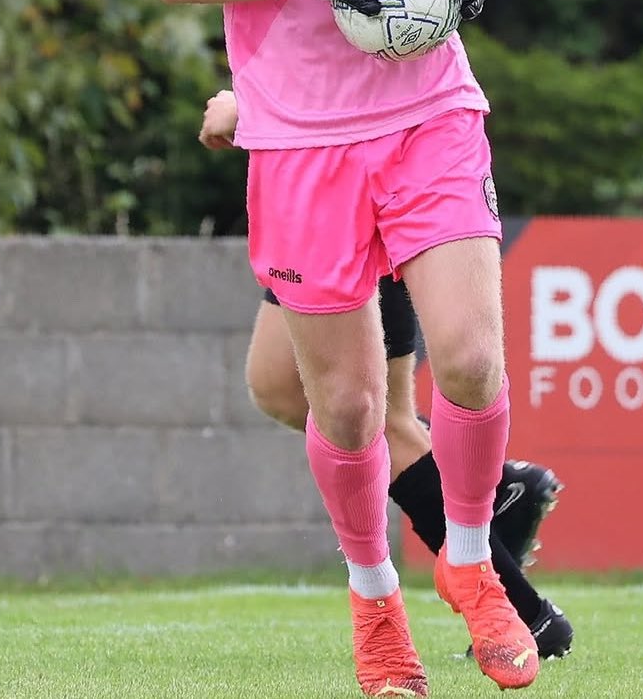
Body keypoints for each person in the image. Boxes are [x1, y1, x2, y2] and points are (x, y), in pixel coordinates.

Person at [150, 0, 538, 695]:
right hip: (301, 136)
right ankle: (375, 600)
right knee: (352, 405)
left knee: (469, 357)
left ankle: (469, 564)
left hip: (431, 111)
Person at [198, 88, 573, 659]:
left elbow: (344, 32)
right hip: (301, 169)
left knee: (374, 416)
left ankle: (527, 613)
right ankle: (496, 500)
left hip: (369, 156)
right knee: (278, 384)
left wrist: (252, 104)